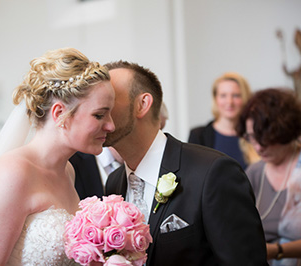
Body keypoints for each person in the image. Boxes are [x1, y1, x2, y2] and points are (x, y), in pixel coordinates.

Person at [0, 48, 115, 265]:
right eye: (99, 115)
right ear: (60, 114)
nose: (111, 125)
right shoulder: (12, 174)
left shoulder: (67, 171)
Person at [103, 61, 268, 265]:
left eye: (109, 99)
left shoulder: (213, 173)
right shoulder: (114, 183)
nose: (99, 109)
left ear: (142, 105)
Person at [236, 88, 301, 265]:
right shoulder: (254, 173)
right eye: (251, 138)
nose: (257, 148)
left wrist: (278, 251)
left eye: (265, 138)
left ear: (285, 132)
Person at [188, 72, 259, 169]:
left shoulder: (257, 134)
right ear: (215, 99)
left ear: (245, 98)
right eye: (223, 95)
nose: (229, 102)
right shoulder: (198, 136)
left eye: (236, 95)